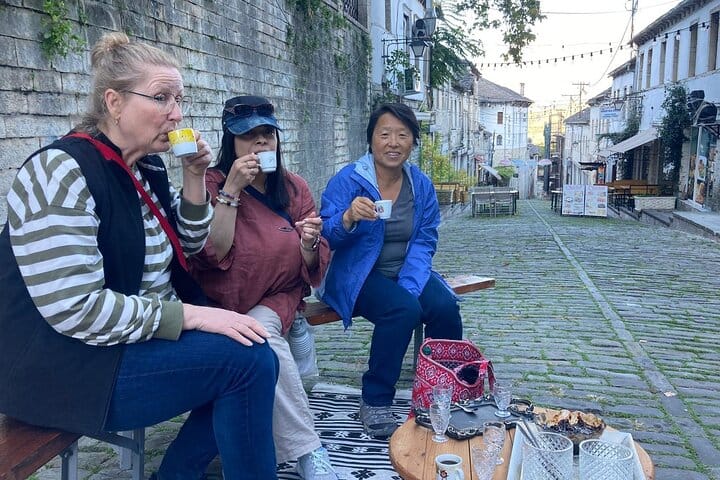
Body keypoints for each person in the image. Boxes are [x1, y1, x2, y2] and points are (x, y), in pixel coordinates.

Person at [0, 33, 279, 480]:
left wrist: (194, 175)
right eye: (161, 97)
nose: (177, 113)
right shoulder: (59, 171)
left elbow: (190, 244)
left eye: (179, 99)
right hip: (63, 367)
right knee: (246, 363)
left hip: (123, 343)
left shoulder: (144, 166)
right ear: (114, 102)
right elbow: (76, 309)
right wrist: (193, 316)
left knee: (250, 353)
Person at [188, 96, 338, 480]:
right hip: (225, 300)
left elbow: (313, 262)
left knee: (260, 335)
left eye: (267, 134)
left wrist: (309, 243)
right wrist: (231, 191)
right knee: (255, 352)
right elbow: (213, 252)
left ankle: (308, 451)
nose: (259, 142)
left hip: (278, 295)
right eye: (248, 135)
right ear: (231, 142)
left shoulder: (293, 187)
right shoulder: (211, 183)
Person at [318, 103, 463, 438]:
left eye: (403, 135)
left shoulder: (420, 185)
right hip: (356, 274)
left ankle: (439, 392)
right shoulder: (349, 180)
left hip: (405, 270)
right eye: (384, 134)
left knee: (444, 306)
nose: (393, 143)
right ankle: (375, 399)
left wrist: (409, 287)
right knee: (402, 310)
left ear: (413, 141)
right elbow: (325, 236)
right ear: (371, 139)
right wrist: (348, 217)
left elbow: (425, 239)